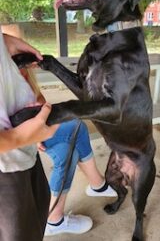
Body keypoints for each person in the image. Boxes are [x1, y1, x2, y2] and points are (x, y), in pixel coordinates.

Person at [22, 67, 117, 236]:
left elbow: (39, 99)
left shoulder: (19, 69)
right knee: (75, 125)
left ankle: (54, 219)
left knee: (68, 151)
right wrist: (33, 135)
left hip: (34, 125)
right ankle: (97, 184)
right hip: (12, 137)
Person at [0, 28, 58, 241]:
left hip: (26, 154)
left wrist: (3, 43)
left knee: (39, 210)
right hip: (6, 166)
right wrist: (18, 137)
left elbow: (37, 96)